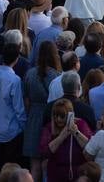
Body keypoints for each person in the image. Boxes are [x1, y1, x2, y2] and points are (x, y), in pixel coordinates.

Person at [0, 43, 27, 178]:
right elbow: (19, 109)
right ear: (16, 59)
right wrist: (23, 127)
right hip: (11, 131)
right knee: (11, 170)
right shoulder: (14, 80)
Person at [23, 40, 61, 181]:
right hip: (51, 118)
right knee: (48, 161)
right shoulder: (57, 76)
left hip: (33, 116)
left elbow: (26, 99)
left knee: (34, 163)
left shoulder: (30, 74)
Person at [39, 97, 93, 182]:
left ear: (70, 114)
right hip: (56, 175)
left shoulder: (81, 124)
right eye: (56, 115)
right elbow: (45, 152)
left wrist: (76, 132)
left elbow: (89, 148)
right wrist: (61, 137)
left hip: (77, 174)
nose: (58, 119)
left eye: (62, 116)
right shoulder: (49, 128)